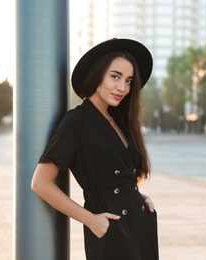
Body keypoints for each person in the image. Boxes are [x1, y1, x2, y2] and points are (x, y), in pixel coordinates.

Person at [31, 38, 159, 260]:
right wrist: (90, 219)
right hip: (110, 229)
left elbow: (118, 179)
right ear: (97, 74)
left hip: (140, 224)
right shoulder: (76, 122)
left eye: (128, 81)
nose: (122, 87)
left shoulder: (121, 120)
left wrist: (139, 197)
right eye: (115, 76)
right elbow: (40, 183)